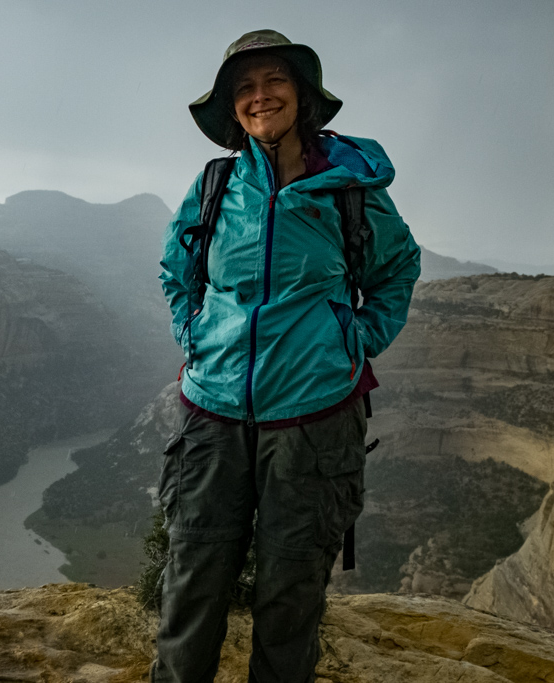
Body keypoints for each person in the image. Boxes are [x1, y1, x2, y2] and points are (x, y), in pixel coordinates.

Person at [153, 30, 421, 682]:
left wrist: (351, 341)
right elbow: (176, 269)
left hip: (314, 419)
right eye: (243, 88)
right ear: (232, 108)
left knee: (290, 589)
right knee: (193, 578)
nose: (258, 96)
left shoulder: (347, 190)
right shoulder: (215, 185)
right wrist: (197, 337)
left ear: (302, 95)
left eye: (273, 81)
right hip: (213, 414)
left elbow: (397, 268)